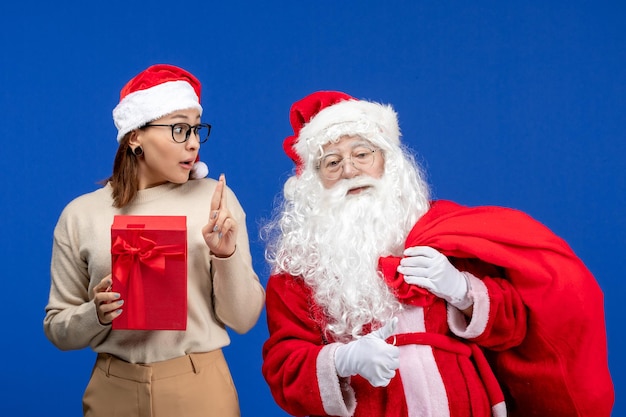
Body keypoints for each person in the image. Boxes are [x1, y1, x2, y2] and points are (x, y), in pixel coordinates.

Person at [261, 91, 613, 417]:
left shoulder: (445, 233)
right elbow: (282, 366)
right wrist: (341, 360)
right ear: (314, 181)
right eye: (332, 162)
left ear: (388, 161)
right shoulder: (300, 265)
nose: (349, 170)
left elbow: (515, 327)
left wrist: (463, 291)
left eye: (362, 154)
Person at [43, 64, 265, 417]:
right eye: (179, 128)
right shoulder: (81, 214)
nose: (193, 142)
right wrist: (95, 313)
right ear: (135, 136)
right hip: (112, 388)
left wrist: (225, 255)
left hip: (200, 387)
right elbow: (57, 328)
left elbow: (244, 319)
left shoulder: (215, 202)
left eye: (196, 129)